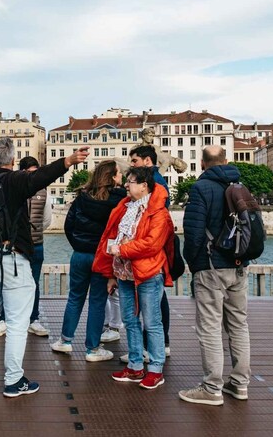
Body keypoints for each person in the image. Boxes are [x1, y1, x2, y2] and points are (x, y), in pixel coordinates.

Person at [0, 138, 89, 398]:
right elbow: (41, 177)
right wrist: (67, 161)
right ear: (12, 161)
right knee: (16, 322)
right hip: (11, 259)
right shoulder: (14, 181)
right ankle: (14, 381)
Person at [178, 146, 251, 406]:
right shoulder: (240, 185)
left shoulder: (201, 188)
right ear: (226, 161)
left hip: (211, 267)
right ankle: (240, 384)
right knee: (238, 325)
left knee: (209, 327)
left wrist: (194, 262)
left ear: (202, 163)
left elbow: (193, 231)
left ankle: (212, 388)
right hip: (240, 264)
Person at [95, 166, 174, 390]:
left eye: (130, 181)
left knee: (152, 322)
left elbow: (152, 244)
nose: (126, 185)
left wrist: (123, 250)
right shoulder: (125, 207)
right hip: (124, 273)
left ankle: (156, 370)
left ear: (144, 186)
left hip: (148, 272)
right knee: (130, 320)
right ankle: (136, 365)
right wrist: (111, 273)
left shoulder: (159, 212)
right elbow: (111, 237)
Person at [51, 160, 127, 362]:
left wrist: (79, 244)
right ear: (112, 177)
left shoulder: (82, 198)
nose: (121, 176)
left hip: (80, 254)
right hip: (103, 257)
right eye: (119, 173)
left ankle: (65, 341)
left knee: (75, 297)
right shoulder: (120, 201)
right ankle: (92, 349)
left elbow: (69, 226)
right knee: (97, 301)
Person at [0, 156, 52, 338]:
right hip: (16, 244)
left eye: (35, 174)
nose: (33, 179)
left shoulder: (34, 191)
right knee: (9, 282)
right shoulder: (34, 190)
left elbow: (46, 220)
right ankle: (7, 318)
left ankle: (31, 319)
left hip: (34, 243)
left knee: (33, 283)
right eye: (30, 174)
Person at [128, 145, 172, 361]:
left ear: (147, 161)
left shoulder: (156, 186)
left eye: (134, 161)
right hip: (154, 254)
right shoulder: (158, 182)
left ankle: (154, 352)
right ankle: (160, 345)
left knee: (153, 307)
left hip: (150, 257)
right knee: (157, 302)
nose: (131, 165)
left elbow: (154, 224)